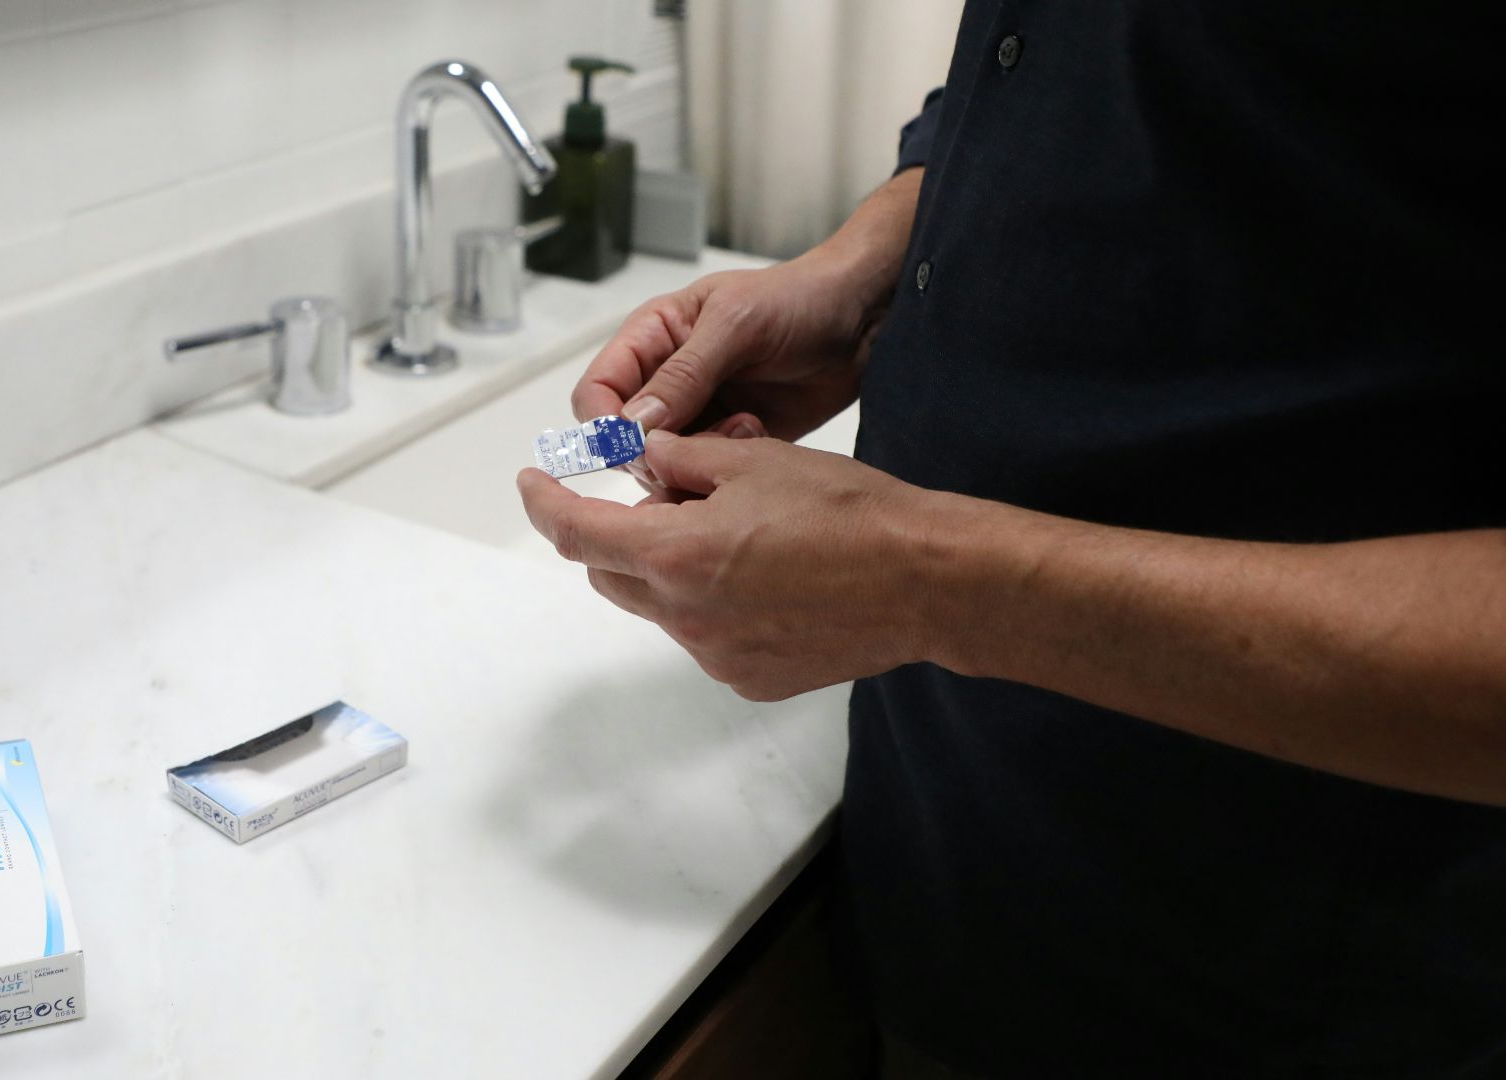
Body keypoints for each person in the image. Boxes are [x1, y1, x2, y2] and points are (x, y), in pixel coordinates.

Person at [516, 4, 1505, 1075]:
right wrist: (865, 269)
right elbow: (1078, 79)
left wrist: (920, 582)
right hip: (957, 908)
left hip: (1297, 993)